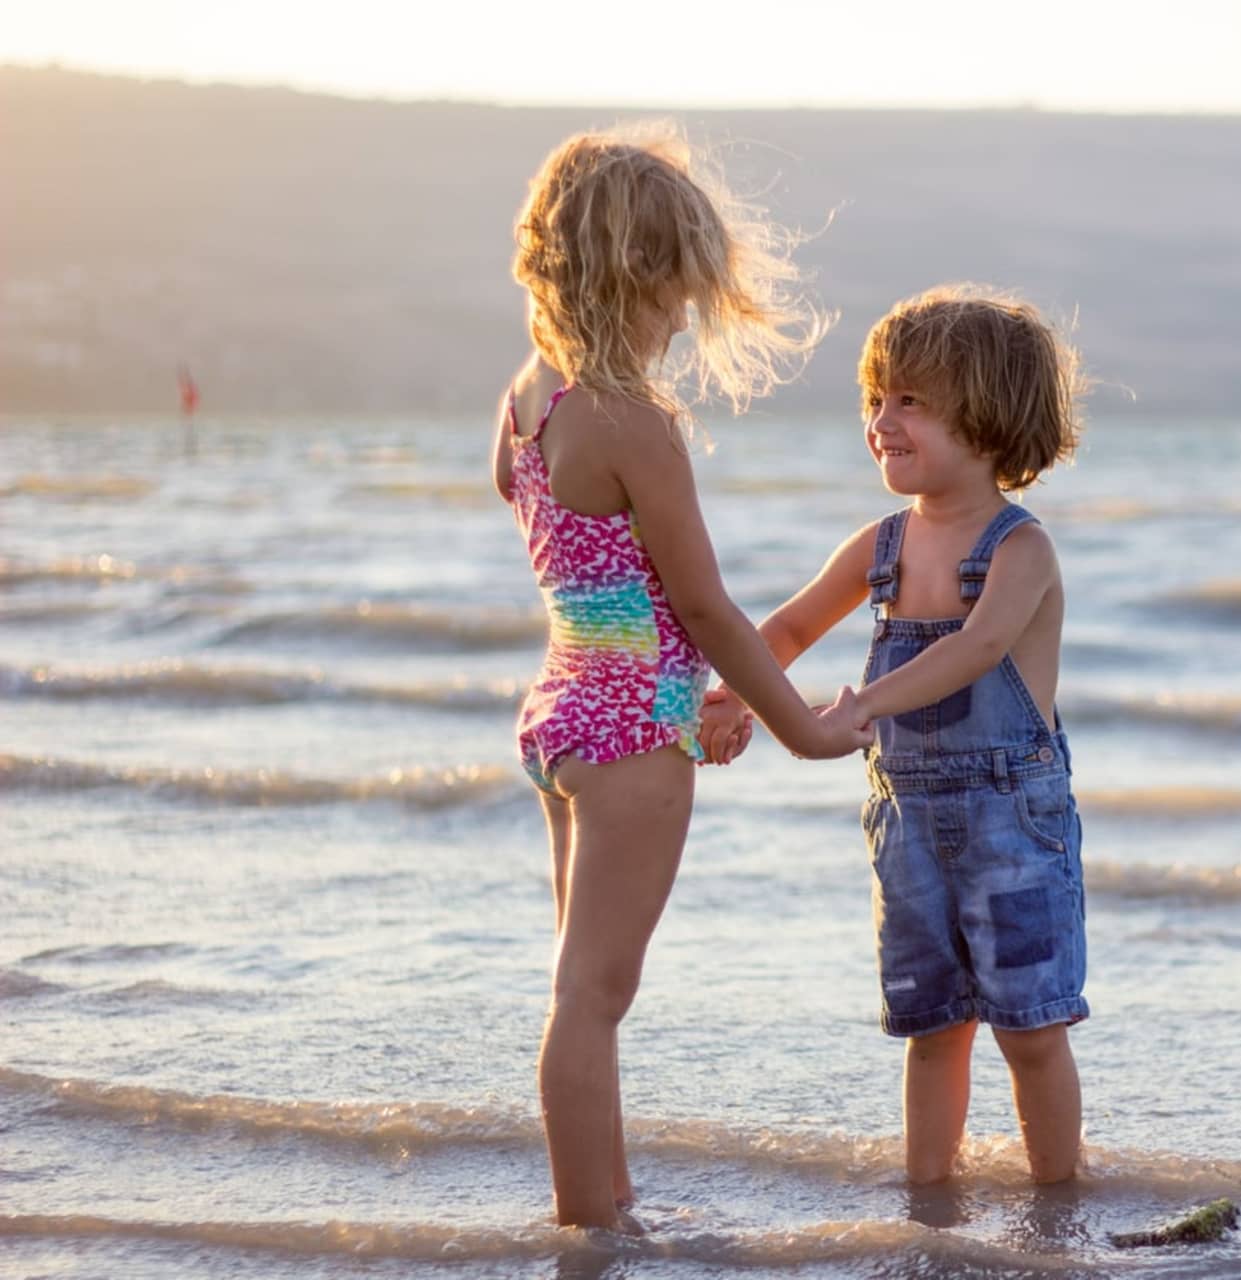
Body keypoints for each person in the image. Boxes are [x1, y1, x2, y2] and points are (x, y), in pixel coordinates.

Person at [491, 125, 871, 1232]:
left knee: (586, 992)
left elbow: (547, 534)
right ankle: (588, 1231)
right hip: (627, 745)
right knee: (591, 998)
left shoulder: (530, 399)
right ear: (637, 281)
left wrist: (647, 671)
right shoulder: (633, 424)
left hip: (561, 714)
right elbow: (702, 605)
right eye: (676, 298)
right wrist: (799, 723)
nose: (679, 324)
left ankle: (608, 1202)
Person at [703, 284, 1089, 1184]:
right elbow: (790, 630)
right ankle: (929, 1198)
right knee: (931, 1028)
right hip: (909, 828)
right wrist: (735, 695)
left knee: (1030, 1030)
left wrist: (862, 707)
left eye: (911, 400)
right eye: (876, 399)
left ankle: (1058, 1200)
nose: (882, 420)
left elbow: (976, 648)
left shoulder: (1019, 550)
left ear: (988, 417)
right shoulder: (879, 545)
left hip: (1013, 829)